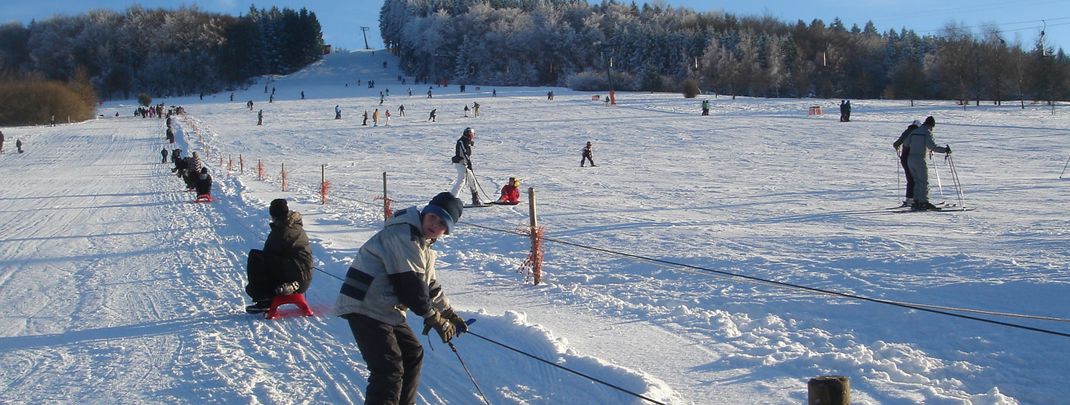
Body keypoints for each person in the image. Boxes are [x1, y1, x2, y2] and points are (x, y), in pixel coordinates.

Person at [334, 192, 468, 405]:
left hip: (384, 306)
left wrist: (449, 314)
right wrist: (434, 319)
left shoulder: (423, 244)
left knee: (412, 354)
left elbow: (430, 287)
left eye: (442, 223)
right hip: (365, 303)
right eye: (433, 216)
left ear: (446, 231)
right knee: (389, 368)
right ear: (425, 213)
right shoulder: (403, 235)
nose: (435, 224)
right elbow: (412, 289)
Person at [245, 199, 314, 313]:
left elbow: (267, 254)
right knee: (272, 261)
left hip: (297, 277)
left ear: (273, 215)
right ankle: (273, 292)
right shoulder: (295, 226)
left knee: (256, 257)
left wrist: (252, 289)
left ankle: (263, 298)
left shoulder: (282, 230)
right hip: (304, 276)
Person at [905, 116, 950, 211]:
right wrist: (945, 150)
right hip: (919, 159)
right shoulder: (926, 133)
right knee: (923, 181)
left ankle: (916, 201)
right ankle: (923, 202)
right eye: (932, 127)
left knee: (916, 180)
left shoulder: (914, 131)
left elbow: (906, 143)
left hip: (910, 159)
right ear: (930, 125)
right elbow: (932, 146)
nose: (932, 129)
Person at [892, 120, 922, 207]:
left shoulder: (906, 131)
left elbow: (896, 144)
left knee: (910, 178)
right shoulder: (916, 133)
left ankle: (910, 198)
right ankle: (913, 199)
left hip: (904, 158)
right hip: (912, 157)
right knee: (914, 179)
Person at [450, 127, 483, 205]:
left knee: (472, 181)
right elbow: (464, 153)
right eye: (471, 134)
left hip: (465, 163)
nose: (472, 136)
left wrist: (468, 162)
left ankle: (475, 199)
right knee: (462, 181)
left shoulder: (466, 141)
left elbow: (467, 152)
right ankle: (452, 200)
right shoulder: (462, 141)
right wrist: (468, 162)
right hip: (461, 163)